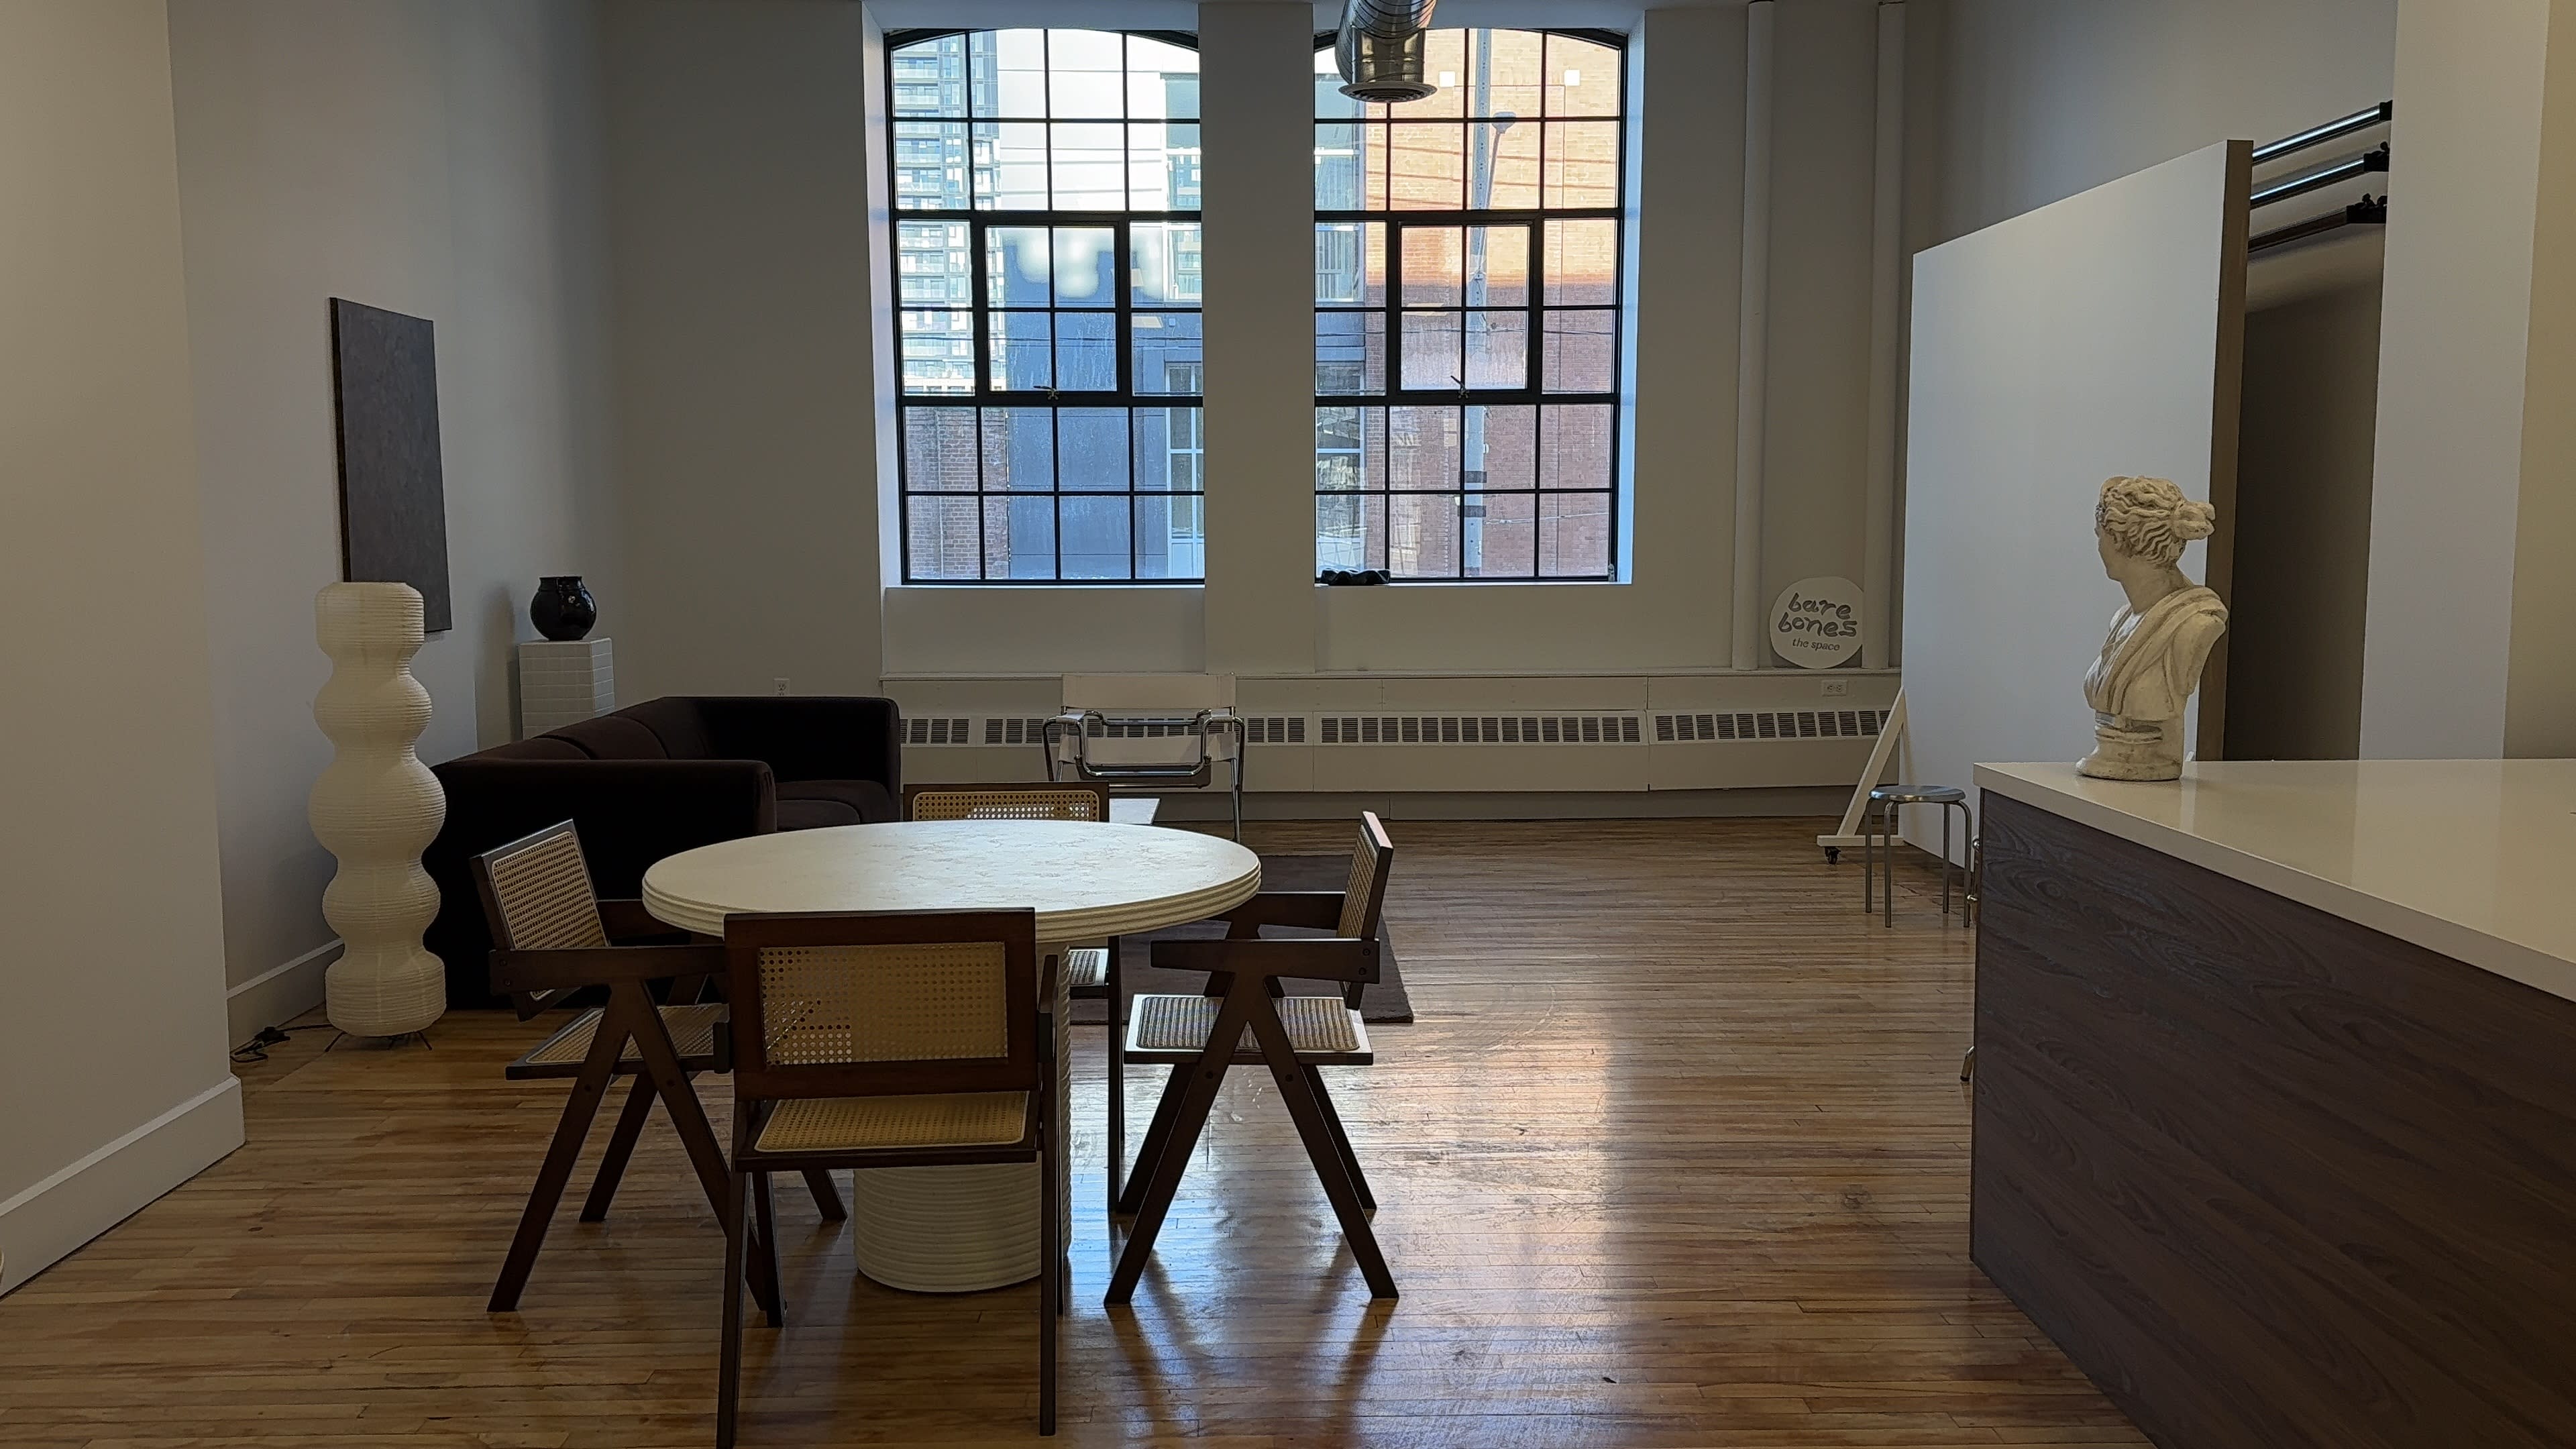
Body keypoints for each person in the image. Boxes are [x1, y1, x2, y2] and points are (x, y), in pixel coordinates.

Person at [2079, 476, 2227, 781]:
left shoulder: (2195, 624)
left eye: (2099, 535)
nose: (2099, 546)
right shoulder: (2123, 619)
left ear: (2119, 539)